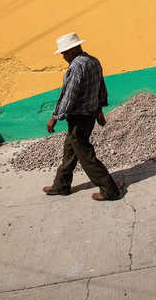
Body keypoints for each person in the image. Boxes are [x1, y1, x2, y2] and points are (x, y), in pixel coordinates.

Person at [43, 32, 122, 201]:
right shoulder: (93, 61)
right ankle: (61, 185)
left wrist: (55, 117)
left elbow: (69, 95)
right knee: (70, 150)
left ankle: (110, 189)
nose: (63, 56)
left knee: (85, 155)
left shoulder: (76, 66)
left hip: (79, 116)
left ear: (73, 49)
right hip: (90, 115)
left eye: (64, 52)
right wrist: (99, 110)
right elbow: (101, 86)